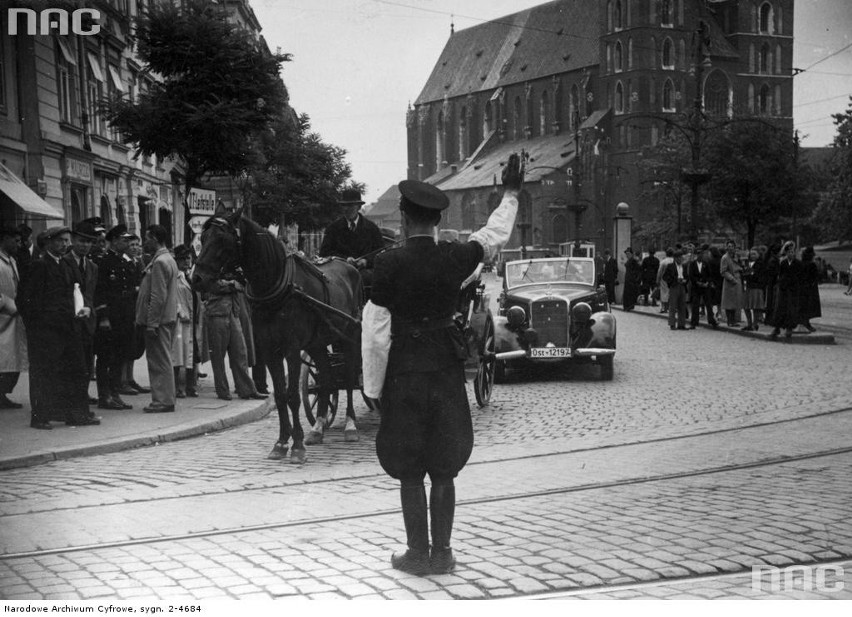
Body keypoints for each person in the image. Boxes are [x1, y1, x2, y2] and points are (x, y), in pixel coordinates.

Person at [361, 154, 523, 576]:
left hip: (405, 373)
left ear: (402, 217)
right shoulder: (456, 257)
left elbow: (376, 331)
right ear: (436, 221)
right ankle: (444, 553)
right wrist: (511, 193)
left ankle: (417, 554)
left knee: (410, 469)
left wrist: (373, 389)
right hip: (447, 373)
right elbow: (494, 234)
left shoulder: (388, 263)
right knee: (444, 466)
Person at [19, 226, 99, 428]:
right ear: (48, 242)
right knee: (44, 374)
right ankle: (40, 417)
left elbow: (77, 291)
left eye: (66, 241)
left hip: (69, 329)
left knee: (75, 371)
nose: (64, 244)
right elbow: (26, 301)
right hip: (46, 333)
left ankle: (73, 414)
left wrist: (83, 309)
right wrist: (37, 328)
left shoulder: (67, 265)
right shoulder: (39, 265)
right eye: (60, 241)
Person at [135, 225, 179, 413]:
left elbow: (158, 296)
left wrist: (151, 323)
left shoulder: (160, 262)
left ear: (155, 238)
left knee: (158, 361)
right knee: (164, 359)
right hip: (166, 318)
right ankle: (166, 398)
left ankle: (163, 400)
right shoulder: (168, 258)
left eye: (147, 238)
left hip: (159, 321)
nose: (144, 242)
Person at [93, 225, 138, 410]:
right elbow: (100, 292)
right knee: (105, 357)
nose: (127, 243)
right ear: (114, 241)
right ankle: (105, 396)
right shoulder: (105, 262)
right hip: (110, 319)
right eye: (124, 240)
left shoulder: (123, 262)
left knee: (119, 356)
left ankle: (115, 392)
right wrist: (103, 317)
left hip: (124, 318)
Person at [203, 267, 265, 401]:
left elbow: (243, 284)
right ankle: (223, 390)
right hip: (217, 313)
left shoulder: (233, 260)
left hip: (234, 312)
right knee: (218, 356)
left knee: (240, 353)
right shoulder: (212, 260)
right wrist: (231, 284)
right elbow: (208, 283)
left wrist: (233, 283)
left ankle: (247, 389)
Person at [319, 188, 385, 295]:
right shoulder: (333, 229)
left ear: (359, 207)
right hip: (338, 274)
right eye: (344, 205)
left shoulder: (372, 228)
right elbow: (324, 253)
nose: (347, 209)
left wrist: (366, 261)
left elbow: (381, 253)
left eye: (350, 205)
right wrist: (344, 260)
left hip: (365, 278)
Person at [64, 221, 100, 406]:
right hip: (69, 323)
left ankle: (82, 397)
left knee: (87, 363)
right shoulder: (64, 262)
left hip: (87, 323)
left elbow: (91, 295)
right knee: (72, 365)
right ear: (72, 240)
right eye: (81, 241)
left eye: (89, 242)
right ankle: (71, 403)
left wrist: (90, 311)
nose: (85, 245)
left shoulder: (92, 266)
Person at [0, 227, 27, 409]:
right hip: (3, 316)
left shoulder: (11, 261)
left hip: (13, 317)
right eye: (15, 241)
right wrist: (9, 306)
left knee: (11, 360)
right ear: (4, 239)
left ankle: (2, 394)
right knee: (3, 358)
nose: (19, 245)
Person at [172, 245, 198, 398]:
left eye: (189, 258)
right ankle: (178, 386)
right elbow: (173, 296)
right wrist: (180, 311)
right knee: (178, 354)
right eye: (183, 258)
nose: (186, 261)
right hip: (181, 320)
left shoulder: (191, 276)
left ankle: (191, 385)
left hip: (194, 319)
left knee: (192, 354)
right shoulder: (175, 276)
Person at [769, 241, 801, 340]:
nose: (791, 254)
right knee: (780, 308)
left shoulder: (797, 263)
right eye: (789, 252)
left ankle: (789, 327)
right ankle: (777, 327)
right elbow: (780, 274)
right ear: (786, 253)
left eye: (792, 252)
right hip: (783, 288)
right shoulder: (783, 263)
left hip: (792, 289)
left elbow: (799, 276)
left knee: (790, 309)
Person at [687, 244, 719, 329]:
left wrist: (707, 282)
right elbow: (691, 275)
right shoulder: (693, 264)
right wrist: (697, 282)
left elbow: (709, 274)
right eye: (698, 254)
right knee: (695, 305)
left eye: (701, 254)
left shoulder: (706, 263)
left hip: (705, 286)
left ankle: (711, 320)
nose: (699, 256)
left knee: (708, 304)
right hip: (696, 286)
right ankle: (694, 322)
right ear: (696, 255)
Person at [741, 247, 767, 331]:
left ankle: (755, 324)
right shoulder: (747, 263)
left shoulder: (761, 264)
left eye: (754, 254)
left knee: (755, 307)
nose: (752, 255)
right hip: (748, 286)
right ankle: (749, 323)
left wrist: (750, 274)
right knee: (746, 306)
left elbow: (759, 275)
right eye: (751, 254)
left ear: (758, 255)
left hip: (756, 287)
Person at [719, 240, 744, 327]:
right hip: (730, 281)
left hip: (737, 280)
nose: (730, 248)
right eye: (728, 246)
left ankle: (734, 320)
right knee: (728, 302)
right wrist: (732, 279)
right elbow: (723, 271)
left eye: (732, 246)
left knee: (735, 302)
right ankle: (730, 320)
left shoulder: (736, 257)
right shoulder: (725, 258)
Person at [662, 249, 688, 330]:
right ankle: (672, 324)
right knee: (672, 306)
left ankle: (681, 324)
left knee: (682, 306)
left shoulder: (684, 266)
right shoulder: (670, 266)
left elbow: (687, 276)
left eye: (681, 258)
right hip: (674, 286)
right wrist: (673, 281)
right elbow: (665, 276)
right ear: (675, 258)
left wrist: (685, 280)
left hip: (682, 286)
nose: (681, 259)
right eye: (679, 258)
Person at [798, 246, 821, 333]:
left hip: (801, 287)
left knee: (803, 305)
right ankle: (805, 322)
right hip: (809, 287)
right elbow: (815, 276)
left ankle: (803, 322)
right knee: (808, 306)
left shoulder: (800, 263)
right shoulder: (812, 265)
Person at [656, 248, 674, 314]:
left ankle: (664, 308)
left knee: (664, 293)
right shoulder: (674, 261)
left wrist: (657, 280)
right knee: (671, 293)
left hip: (664, 279)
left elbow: (659, 272)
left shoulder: (663, 261)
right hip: (672, 279)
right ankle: (671, 307)